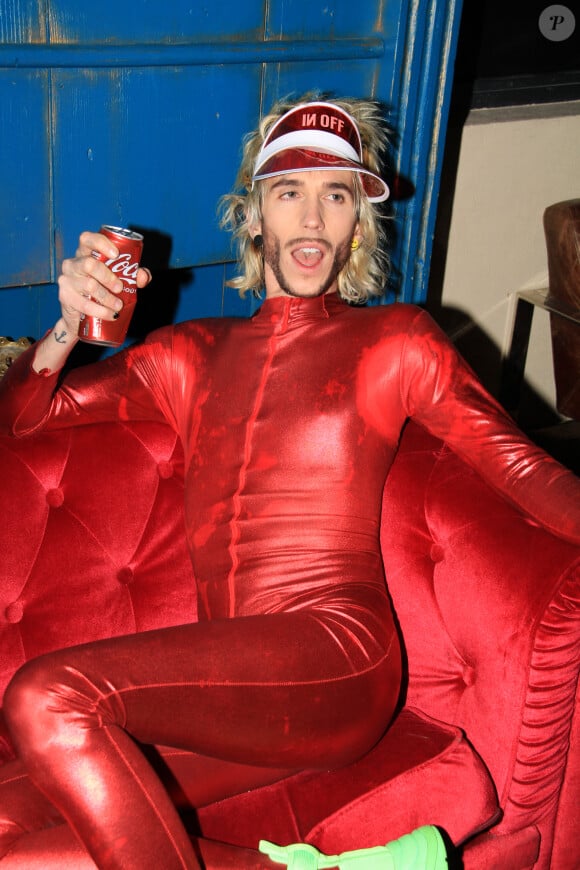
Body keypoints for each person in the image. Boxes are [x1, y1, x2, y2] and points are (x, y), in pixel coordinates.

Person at [0, 94, 579, 870]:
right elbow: (26, 423)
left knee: (47, 695)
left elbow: (524, 470)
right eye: (289, 192)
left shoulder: (395, 341)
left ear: (357, 223)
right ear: (253, 218)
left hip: (338, 663)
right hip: (237, 695)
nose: (312, 219)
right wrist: (69, 323)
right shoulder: (188, 354)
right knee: (13, 820)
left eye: (336, 195)